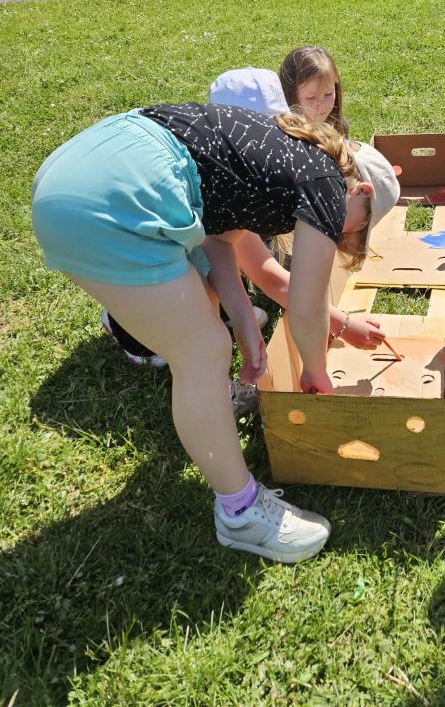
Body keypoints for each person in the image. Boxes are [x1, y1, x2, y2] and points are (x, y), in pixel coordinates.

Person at [32, 104, 399, 560]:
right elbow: (306, 306)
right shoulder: (327, 184)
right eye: (357, 226)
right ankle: (240, 513)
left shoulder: (286, 157)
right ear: (361, 190)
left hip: (83, 172)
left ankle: (214, 403)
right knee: (204, 350)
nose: (345, 236)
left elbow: (219, 239)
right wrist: (315, 372)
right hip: (109, 199)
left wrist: (243, 317)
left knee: (203, 320)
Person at [102, 65, 390, 374]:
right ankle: (130, 330)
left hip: (159, 229)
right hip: (132, 245)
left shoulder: (248, 188)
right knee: (201, 303)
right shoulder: (228, 186)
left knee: (219, 268)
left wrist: (342, 324)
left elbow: (266, 272)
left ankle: (195, 308)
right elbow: (258, 271)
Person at [279, 46, 349, 135]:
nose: (321, 105)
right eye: (311, 97)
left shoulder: (339, 127)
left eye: (328, 94)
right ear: (290, 94)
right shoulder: (282, 135)